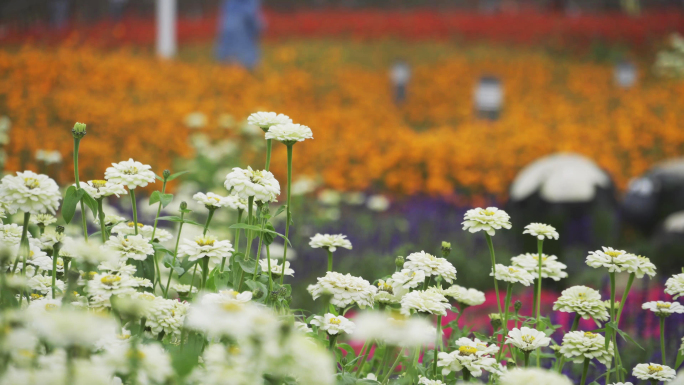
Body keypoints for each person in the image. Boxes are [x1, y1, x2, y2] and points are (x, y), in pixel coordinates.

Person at [215, 0, 263, 69]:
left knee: (227, 73)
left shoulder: (229, 3)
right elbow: (255, 23)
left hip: (226, 46)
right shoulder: (248, 4)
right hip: (243, 49)